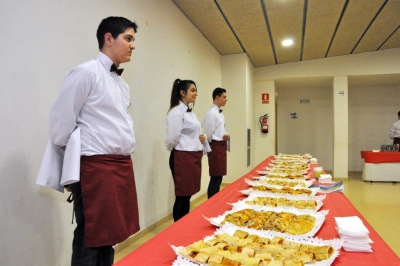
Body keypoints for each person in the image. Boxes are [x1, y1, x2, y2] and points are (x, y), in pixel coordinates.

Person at [48, 17, 140, 266]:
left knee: (109, 238)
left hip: (119, 167)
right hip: (95, 169)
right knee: (91, 239)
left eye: (133, 40)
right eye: (128, 38)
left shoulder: (122, 85)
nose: (133, 45)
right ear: (109, 38)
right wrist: (74, 168)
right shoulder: (85, 73)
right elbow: (60, 126)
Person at [165, 79, 206, 222]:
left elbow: (191, 133)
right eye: (193, 90)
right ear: (182, 92)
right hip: (182, 157)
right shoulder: (176, 112)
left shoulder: (191, 112)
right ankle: (177, 230)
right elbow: (172, 138)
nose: (196, 93)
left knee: (187, 195)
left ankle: (183, 226)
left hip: (192, 156)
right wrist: (176, 149)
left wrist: (200, 137)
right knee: (182, 196)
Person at [203, 87, 230, 198]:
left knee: (219, 177)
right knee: (215, 177)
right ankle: (211, 203)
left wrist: (225, 135)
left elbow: (220, 130)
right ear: (217, 97)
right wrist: (214, 143)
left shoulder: (220, 114)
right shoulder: (211, 113)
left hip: (221, 146)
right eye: (224, 97)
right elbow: (208, 134)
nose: (226, 99)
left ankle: (216, 200)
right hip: (214, 146)